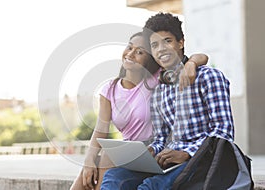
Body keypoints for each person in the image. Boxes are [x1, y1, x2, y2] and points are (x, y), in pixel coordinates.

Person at [100, 13, 234, 190]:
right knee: (115, 177)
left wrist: (186, 153)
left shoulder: (209, 77)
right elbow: (161, 138)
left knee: (150, 187)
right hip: (170, 163)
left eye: (167, 41)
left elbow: (224, 134)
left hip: (203, 162)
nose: (161, 49)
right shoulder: (158, 91)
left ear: (181, 42)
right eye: (155, 45)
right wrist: (150, 152)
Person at [70, 31, 208, 190]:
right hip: (130, 153)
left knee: (106, 158)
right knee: (91, 167)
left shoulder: (156, 79)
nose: (131, 54)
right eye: (129, 48)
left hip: (155, 150)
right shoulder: (110, 88)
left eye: (140, 52)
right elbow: (101, 129)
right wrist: (88, 160)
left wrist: (191, 64)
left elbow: (202, 57)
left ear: (149, 59)